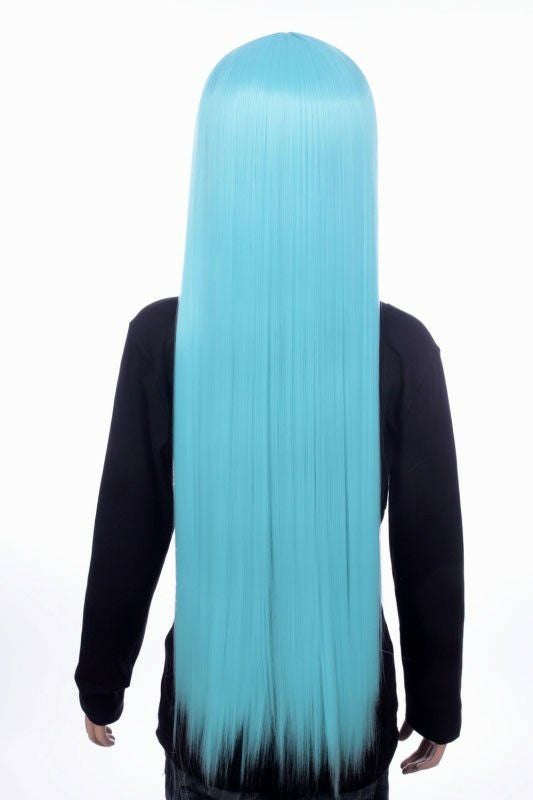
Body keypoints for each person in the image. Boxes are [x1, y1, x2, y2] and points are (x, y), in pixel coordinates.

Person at [75, 33, 464, 800]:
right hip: (345, 735)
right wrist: (435, 705)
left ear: (219, 163)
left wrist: (101, 679)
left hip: (210, 732)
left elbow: (130, 521)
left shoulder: (163, 339)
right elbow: (429, 551)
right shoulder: (398, 349)